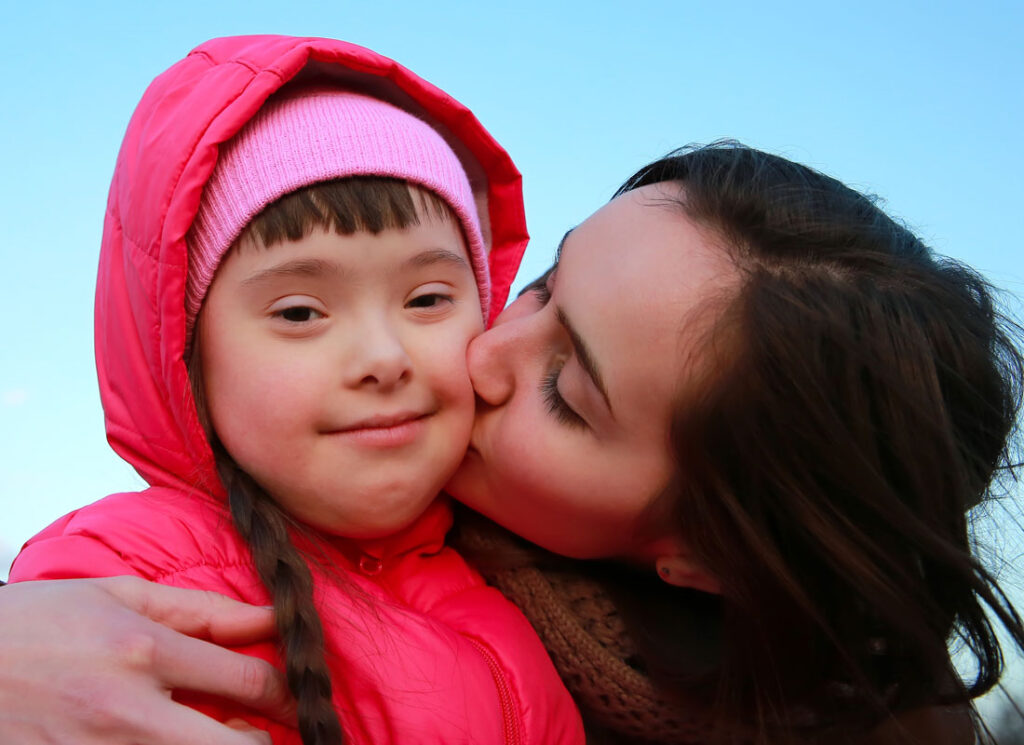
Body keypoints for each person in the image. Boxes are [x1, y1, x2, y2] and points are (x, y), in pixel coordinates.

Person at [2, 51, 1022, 745]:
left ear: (705, 554)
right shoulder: (139, 589)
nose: (479, 354)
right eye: (538, 286)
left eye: (567, 393)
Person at [5, 35, 582, 745]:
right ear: (186, 358)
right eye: (300, 312)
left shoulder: (535, 596)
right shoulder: (116, 580)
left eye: (428, 298)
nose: (383, 356)